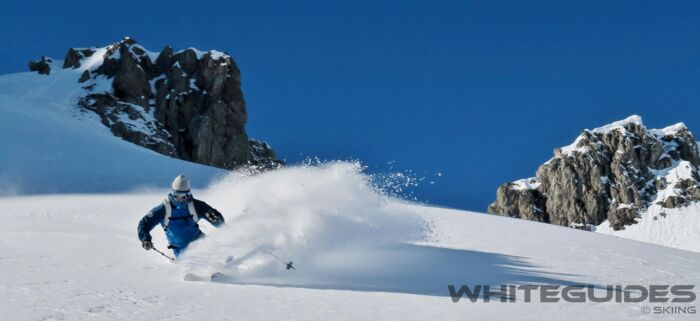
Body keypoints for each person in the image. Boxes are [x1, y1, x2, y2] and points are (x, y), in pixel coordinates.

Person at [137, 174, 225, 257]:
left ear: (189, 194)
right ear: (172, 193)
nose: (181, 199)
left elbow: (221, 224)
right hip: (180, 250)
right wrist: (145, 239)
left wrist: (217, 219)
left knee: (216, 256)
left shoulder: (197, 206)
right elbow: (144, 223)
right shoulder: (164, 209)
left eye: (184, 195)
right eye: (177, 195)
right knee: (193, 262)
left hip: (200, 242)